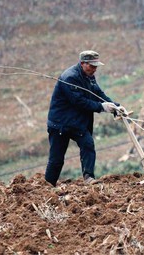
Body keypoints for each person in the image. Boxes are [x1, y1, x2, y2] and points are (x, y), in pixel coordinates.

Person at [45, 50, 121, 186]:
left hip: (77, 123)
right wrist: (102, 107)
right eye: (91, 66)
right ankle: (48, 185)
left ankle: (89, 178)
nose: (94, 69)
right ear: (82, 63)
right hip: (60, 124)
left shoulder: (89, 76)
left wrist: (115, 106)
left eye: (96, 66)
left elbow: (97, 93)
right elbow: (79, 102)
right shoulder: (70, 78)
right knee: (57, 159)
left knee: (88, 145)